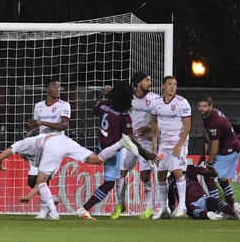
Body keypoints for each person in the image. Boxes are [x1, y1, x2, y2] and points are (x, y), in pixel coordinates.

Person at [0, 127, 144, 215]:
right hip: (62, 139)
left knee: (39, 182)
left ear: (24, 154)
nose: (25, 160)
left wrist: (28, 196)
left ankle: (52, 212)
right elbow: (1, 156)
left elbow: (40, 182)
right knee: (96, 159)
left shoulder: (25, 146)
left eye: (24, 158)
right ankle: (121, 143)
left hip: (54, 146)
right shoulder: (27, 144)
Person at [76, 81, 159, 221]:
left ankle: (112, 206)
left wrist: (102, 96)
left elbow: (93, 111)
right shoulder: (123, 115)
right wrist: (147, 154)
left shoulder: (104, 104)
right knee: (109, 182)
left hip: (101, 144)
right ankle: (84, 208)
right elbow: (132, 138)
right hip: (113, 151)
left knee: (114, 177)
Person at [111, 72, 160, 220]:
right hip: (129, 141)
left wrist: (150, 129)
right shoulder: (128, 97)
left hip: (146, 142)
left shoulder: (154, 99)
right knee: (120, 173)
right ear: (138, 83)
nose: (149, 83)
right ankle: (120, 204)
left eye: (150, 80)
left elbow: (160, 121)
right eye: (147, 80)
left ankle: (149, 208)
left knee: (145, 176)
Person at [25, 79, 71, 219]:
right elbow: (37, 126)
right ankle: (51, 200)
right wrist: (29, 135)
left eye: (58, 87)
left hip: (56, 145)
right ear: (46, 90)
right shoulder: (38, 106)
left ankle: (45, 210)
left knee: (43, 178)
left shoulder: (64, 105)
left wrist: (42, 122)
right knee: (32, 180)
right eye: (54, 87)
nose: (58, 89)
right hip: (40, 145)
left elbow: (64, 125)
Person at [198, 94, 240, 217]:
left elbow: (215, 146)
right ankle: (231, 209)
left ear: (211, 107)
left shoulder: (214, 121)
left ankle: (218, 208)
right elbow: (206, 135)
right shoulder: (207, 116)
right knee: (222, 178)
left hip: (229, 149)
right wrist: (203, 154)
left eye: (204, 106)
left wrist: (209, 163)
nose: (201, 108)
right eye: (200, 106)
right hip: (230, 147)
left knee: (208, 175)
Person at [151, 76, 191, 219]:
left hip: (178, 144)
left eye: (175, 84)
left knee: (177, 171)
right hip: (164, 144)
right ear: (163, 86)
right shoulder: (156, 103)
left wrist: (179, 145)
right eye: (169, 84)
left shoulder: (182, 102)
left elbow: (188, 126)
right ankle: (163, 207)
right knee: (161, 174)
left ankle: (182, 206)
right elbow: (154, 121)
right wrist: (154, 142)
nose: (173, 87)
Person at [167, 165, 240, 220]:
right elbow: (171, 199)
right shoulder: (170, 180)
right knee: (190, 209)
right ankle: (211, 216)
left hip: (202, 198)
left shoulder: (189, 168)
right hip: (190, 204)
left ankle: (235, 214)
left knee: (214, 201)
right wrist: (171, 212)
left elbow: (208, 172)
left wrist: (213, 172)